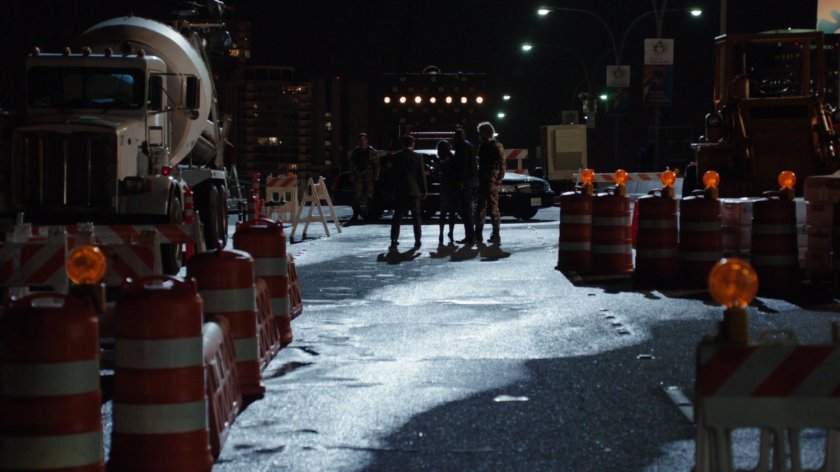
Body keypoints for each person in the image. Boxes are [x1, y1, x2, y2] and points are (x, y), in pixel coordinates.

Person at [389, 135, 427, 247]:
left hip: (400, 190)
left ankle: (394, 238)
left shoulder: (396, 157)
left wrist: (391, 190)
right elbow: (421, 175)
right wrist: (424, 190)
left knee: (397, 215)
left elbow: (392, 176)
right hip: (414, 190)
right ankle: (417, 238)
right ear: (413, 144)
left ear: (403, 144)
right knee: (416, 216)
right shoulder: (417, 156)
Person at [475, 121, 506, 244]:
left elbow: (502, 165)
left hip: (489, 180)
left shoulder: (493, 145)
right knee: (484, 208)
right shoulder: (488, 145)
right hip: (486, 179)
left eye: (480, 132)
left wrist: (498, 179)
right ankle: (484, 233)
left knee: (489, 208)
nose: (479, 135)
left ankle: (493, 234)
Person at [451, 127, 477, 246]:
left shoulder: (461, 146)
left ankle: (470, 237)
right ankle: (471, 235)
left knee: (466, 210)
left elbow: (462, 164)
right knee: (468, 209)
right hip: (472, 180)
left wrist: (460, 180)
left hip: (465, 181)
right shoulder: (470, 145)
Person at [348, 132, 380, 220]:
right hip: (358, 175)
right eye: (361, 140)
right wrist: (352, 175)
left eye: (364, 139)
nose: (362, 142)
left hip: (369, 175)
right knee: (357, 195)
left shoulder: (372, 151)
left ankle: (370, 213)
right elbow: (351, 164)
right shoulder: (355, 151)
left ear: (367, 140)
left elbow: (377, 164)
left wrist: (376, 175)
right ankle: (355, 214)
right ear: (358, 141)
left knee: (370, 195)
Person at [436, 139, 458, 245]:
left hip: (444, 187)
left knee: (443, 212)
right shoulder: (452, 158)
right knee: (452, 213)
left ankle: (441, 233)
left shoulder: (439, 158)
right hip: (452, 187)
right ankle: (451, 233)